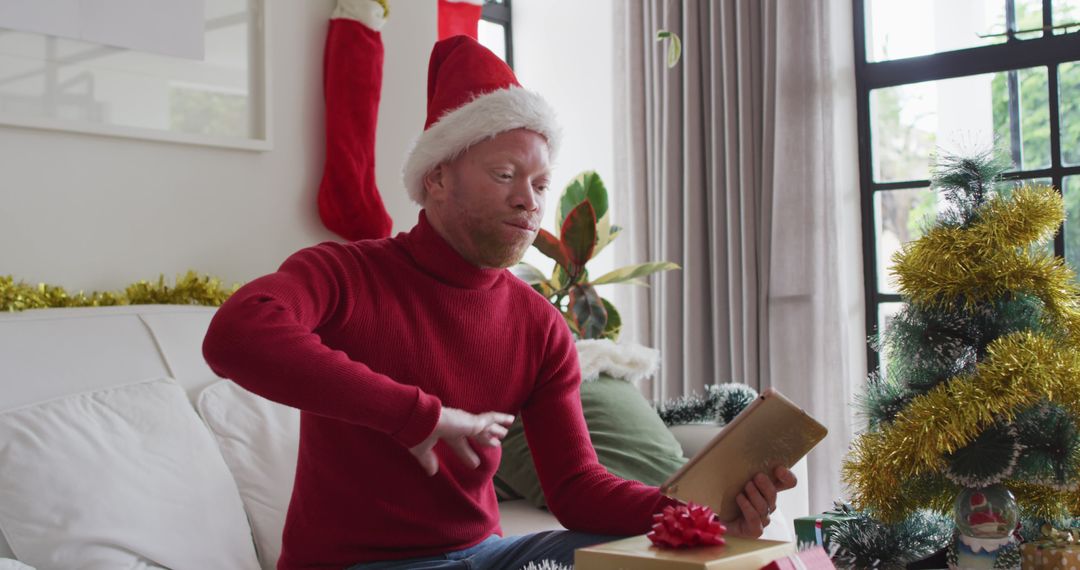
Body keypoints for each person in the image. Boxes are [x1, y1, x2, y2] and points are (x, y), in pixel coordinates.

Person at [202, 1, 797, 568]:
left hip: (486, 556)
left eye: (540, 184)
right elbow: (236, 334)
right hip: (359, 565)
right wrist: (417, 417)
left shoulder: (538, 324)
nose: (528, 200)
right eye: (505, 175)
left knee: (678, 562)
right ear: (437, 178)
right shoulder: (346, 274)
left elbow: (576, 488)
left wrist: (694, 519)